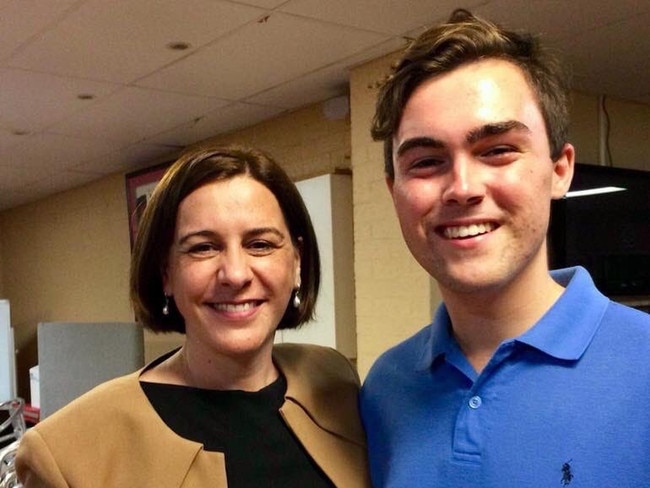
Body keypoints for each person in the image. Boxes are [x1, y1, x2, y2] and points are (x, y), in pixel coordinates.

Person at [360, 8, 650, 487]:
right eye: (427, 161)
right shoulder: (385, 388)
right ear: (394, 190)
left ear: (560, 170)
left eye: (497, 150)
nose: (463, 187)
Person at [16, 145, 370, 487]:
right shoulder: (67, 451)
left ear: (296, 262)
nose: (235, 273)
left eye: (260, 244)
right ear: (166, 273)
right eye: (203, 247)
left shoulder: (332, 381)